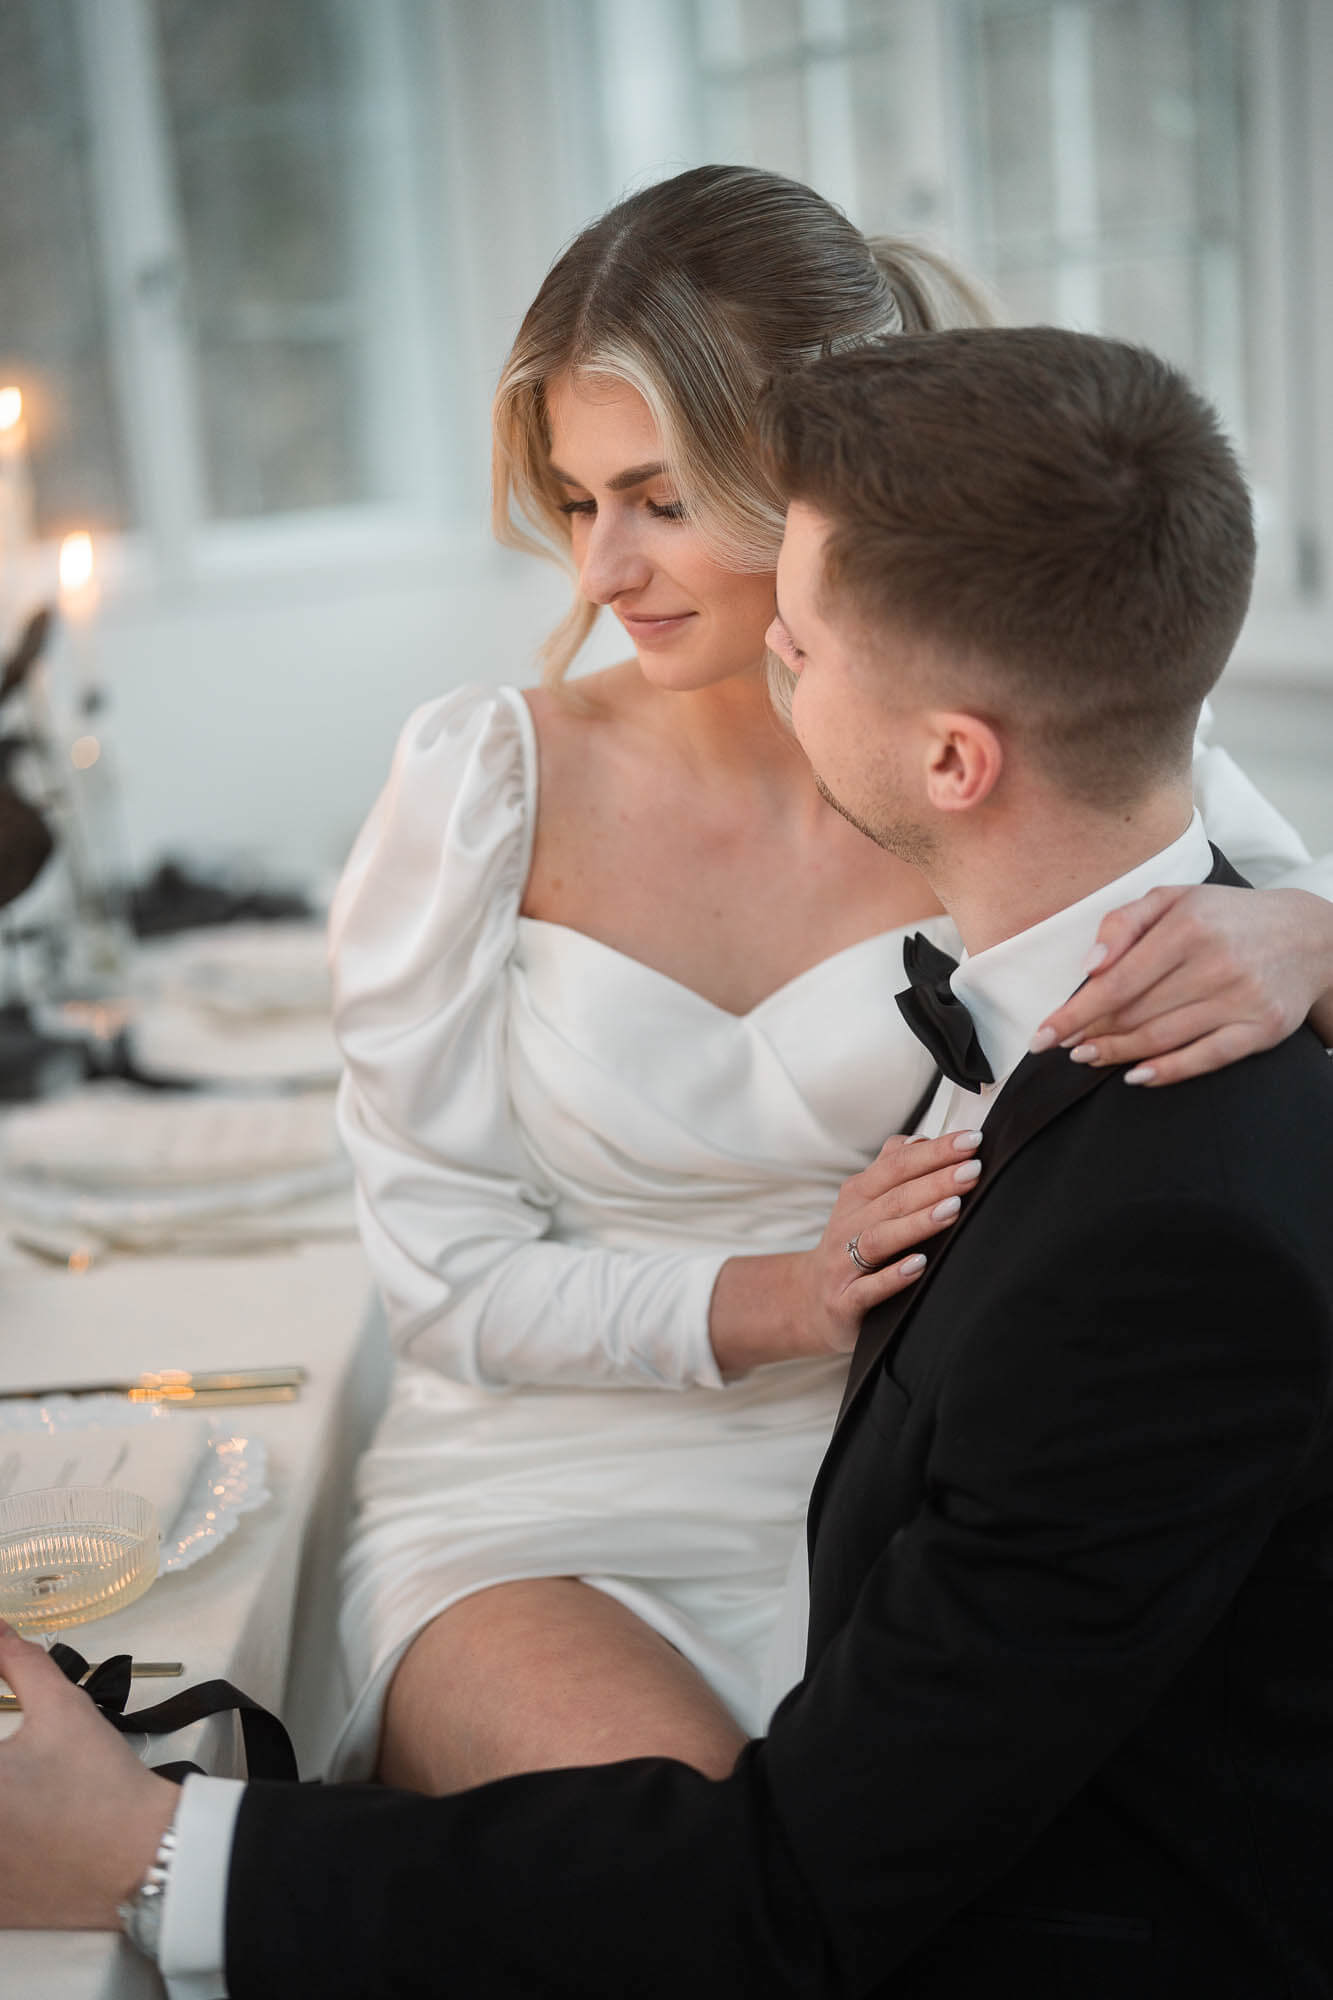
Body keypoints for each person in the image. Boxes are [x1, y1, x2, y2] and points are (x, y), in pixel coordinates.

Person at [4, 323, 1333, 1999]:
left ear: (950, 759)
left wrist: (150, 1851)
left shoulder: (1157, 1225)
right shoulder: (1094, 986)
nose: (762, 650)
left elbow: (784, 1902)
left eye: (804, 640)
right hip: (670, 1544)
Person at [322, 164, 1333, 1792]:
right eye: (575, 504)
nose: (601, 571)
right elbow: (438, 1283)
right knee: (667, 1853)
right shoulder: (480, 786)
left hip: (923, 1494)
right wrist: (779, 1298)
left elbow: (1263, 968)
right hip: (550, 1501)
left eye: (659, 500)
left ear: (804, 477)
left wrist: (1308, 935)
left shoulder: (1017, 734)